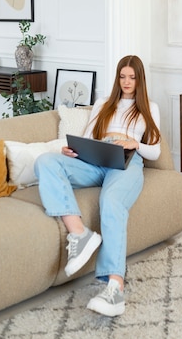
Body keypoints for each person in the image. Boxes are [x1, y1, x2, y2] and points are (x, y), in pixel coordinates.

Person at [34, 55, 161, 317]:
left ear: (140, 80)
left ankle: (115, 287)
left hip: (126, 163)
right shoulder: (103, 103)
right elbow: (90, 136)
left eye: (132, 77)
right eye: (122, 76)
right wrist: (75, 150)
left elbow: (156, 152)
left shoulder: (150, 107)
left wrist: (134, 144)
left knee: (111, 202)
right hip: (94, 159)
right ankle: (79, 234)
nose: (126, 82)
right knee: (47, 161)